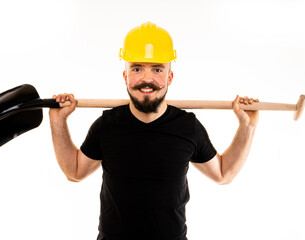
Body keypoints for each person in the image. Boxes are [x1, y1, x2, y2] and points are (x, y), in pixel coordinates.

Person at [49, 22, 259, 240]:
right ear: (125, 76)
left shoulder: (188, 127)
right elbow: (74, 172)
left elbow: (223, 174)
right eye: (137, 68)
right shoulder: (106, 125)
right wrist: (58, 122)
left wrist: (247, 126)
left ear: (169, 77)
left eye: (157, 69)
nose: (146, 79)